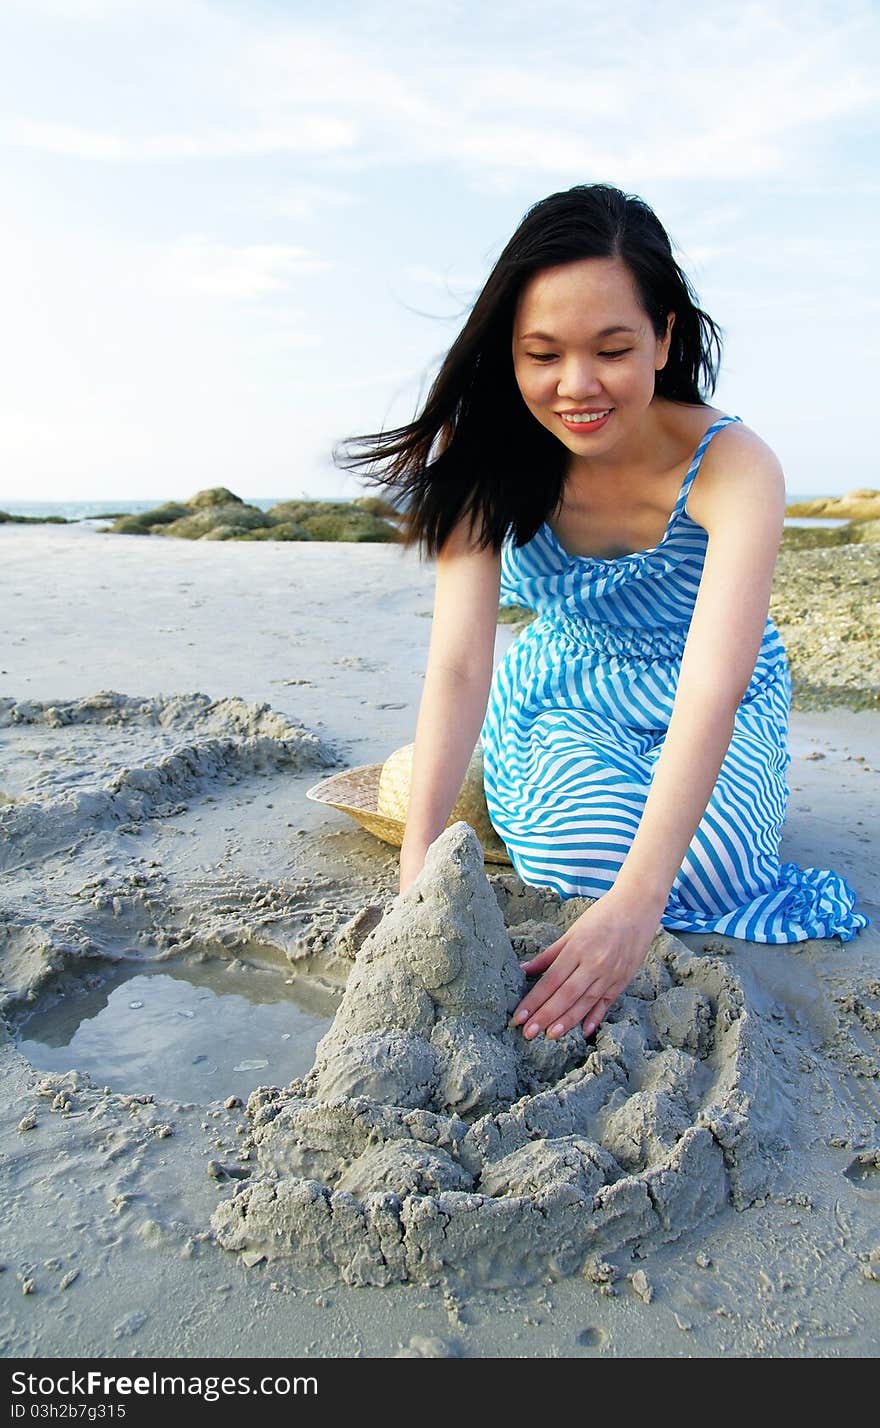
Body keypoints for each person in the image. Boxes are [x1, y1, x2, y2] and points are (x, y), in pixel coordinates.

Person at [336, 183, 869, 1048]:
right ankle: (481, 796)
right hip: (567, 689)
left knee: (713, 872)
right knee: (574, 859)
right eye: (542, 354)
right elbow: (462, 664)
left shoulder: (735, 466)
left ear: (663, 335)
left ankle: (625, 843)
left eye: (612, 348)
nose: (576, 386)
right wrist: (418, 875)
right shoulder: (479, 458)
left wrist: (636, 910)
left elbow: (714, 681)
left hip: (708, 695)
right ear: (507, 352)